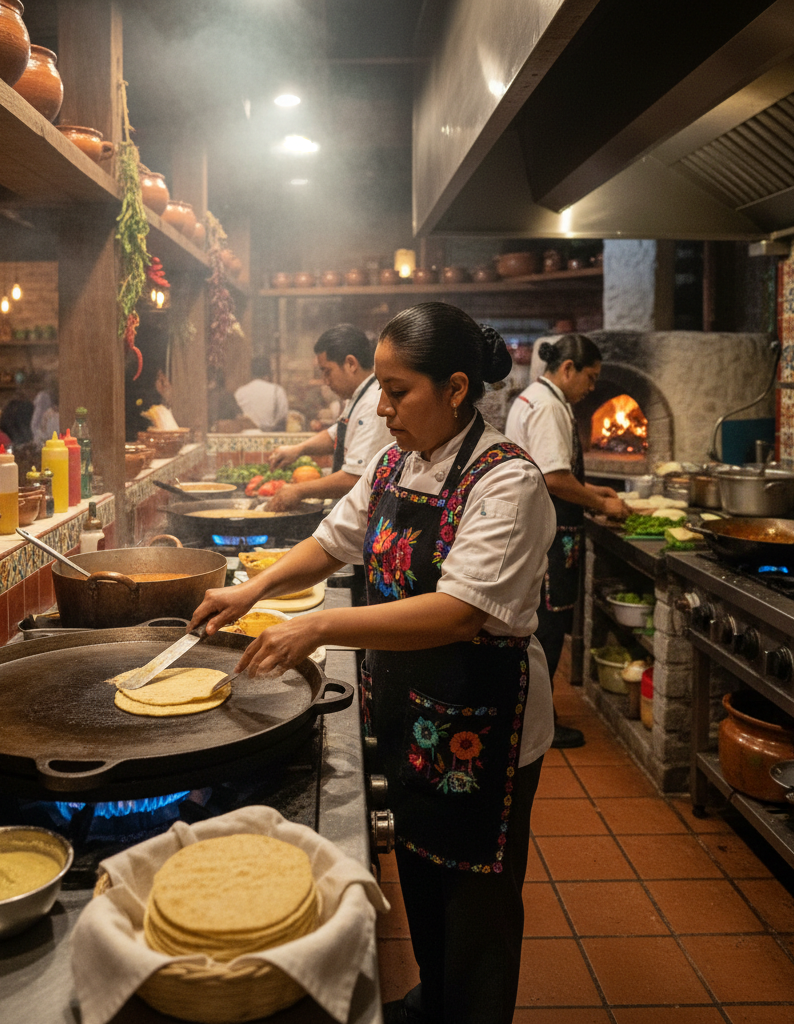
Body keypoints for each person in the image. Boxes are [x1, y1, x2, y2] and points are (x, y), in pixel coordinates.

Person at [190, 302, 556, 1024]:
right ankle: (437, 998)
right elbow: (333, 541)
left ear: (455, 389)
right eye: (380, 389)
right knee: (421, 872)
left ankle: (471, 1011)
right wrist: (254, 587)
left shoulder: (506, 482)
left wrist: (320, 624)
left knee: (475, 897)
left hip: (481, 725)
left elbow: (459, 611)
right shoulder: (395, 463)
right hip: (405, 701)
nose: (381, 408)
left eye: (397, 390)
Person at [505, 334, 630, 749]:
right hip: (550, 537)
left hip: (540, 531)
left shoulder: (535, 397)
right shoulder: (549, 408)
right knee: (549, 630)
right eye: (590, 378)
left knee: (540, 628)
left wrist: (594, 489)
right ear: (568, 369)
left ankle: (530, 715)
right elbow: (554, 479)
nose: (591, 389)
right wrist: (600, 503)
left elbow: (553, 468)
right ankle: (538, 723)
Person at [265, 324, 392, 511]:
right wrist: (298, 449)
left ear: (351, 364)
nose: (325, 380)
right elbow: (337, 434)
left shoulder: (373, 404)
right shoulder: (359, 397)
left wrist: (298, 490)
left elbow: (355, 478)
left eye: (327, 371)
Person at [233, 356, 288, 431]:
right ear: (269, 373)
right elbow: (282, 416)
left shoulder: (240, 392)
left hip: (245, 436)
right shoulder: (277, 391)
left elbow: (237, 417)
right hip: (270, 436)